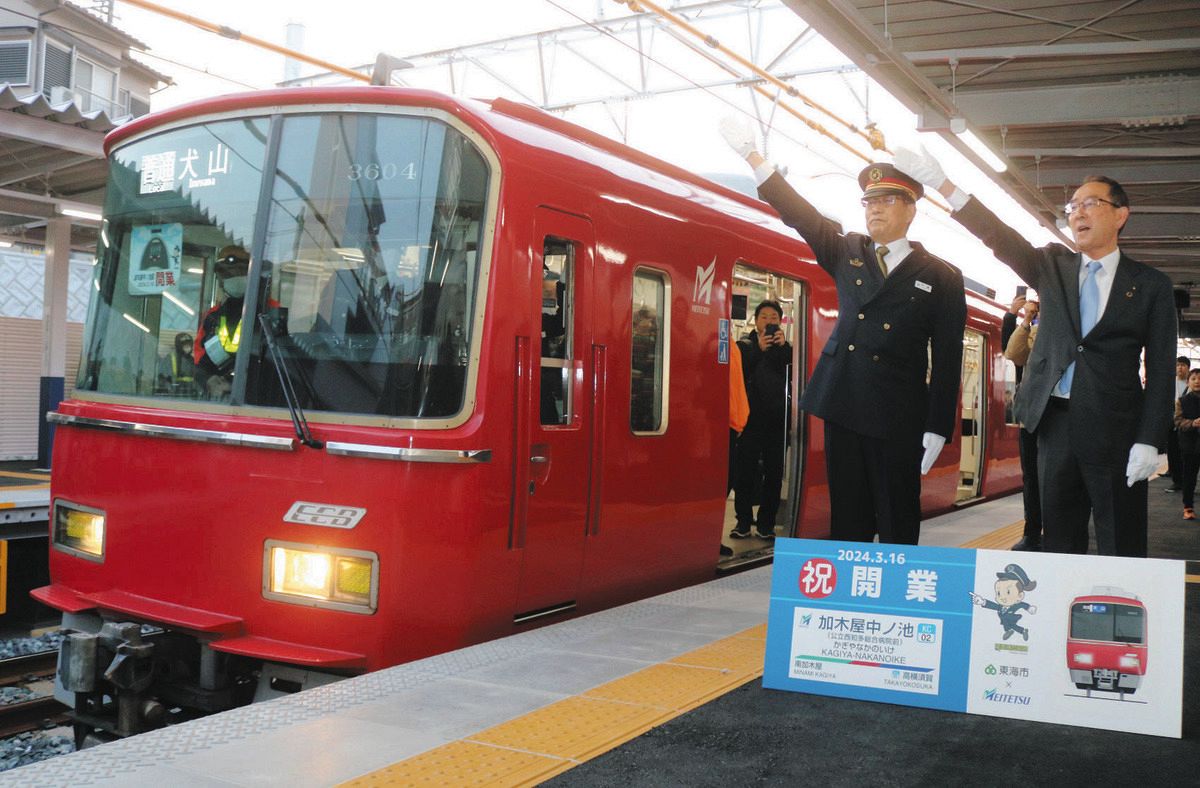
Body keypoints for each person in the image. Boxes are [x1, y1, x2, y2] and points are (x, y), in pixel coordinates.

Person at [895, 147, 1176, 557]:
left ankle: (1119, 598)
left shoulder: (1151, 285)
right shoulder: (1052, 266)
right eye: (1073, 206)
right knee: (1058, 541)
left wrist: (1150, 440)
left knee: (1122, 539)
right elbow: (1000, 238)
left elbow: (1162, 369)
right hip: (1054, 424)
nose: (1077, 213)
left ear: (1120, 215)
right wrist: (945, 185)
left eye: (1091, 204)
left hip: (1115, 428)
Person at [720, 119, 966, 545]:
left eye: (887, 200)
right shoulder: (848, 250)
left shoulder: (941, 276)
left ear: (911, 209)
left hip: (899, 413)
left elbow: (947, 358)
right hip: (844, 402)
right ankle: (854, 588)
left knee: (898, 519)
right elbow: (802, 217)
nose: (875, 209)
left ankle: (892, 588)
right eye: (869, 201)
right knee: (848, 523)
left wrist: (938, 425)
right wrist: (754, 158)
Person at [731, 300, 792, 541]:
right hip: (749, 421)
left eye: (774, 317)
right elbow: (739, 374)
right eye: (764, 317)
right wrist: (759, 349)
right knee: (744, 473)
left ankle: (766, 525)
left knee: (774, 475)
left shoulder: (787, 349)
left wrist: (782, 347)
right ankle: (743, 522)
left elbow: (793, 373)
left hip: (777, 422)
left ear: (780, 322)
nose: (769, 321)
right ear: (755, 321)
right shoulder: (744, 346)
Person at [1003, 294, 1043, 551]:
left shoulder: (1066, 319)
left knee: (1058, 477)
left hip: (1059, 414)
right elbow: (1013, 353)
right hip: (1030, 415)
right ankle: (1032, 531)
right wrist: (1025, 319)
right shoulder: (1030, 327)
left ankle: (1058, 530)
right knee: (1031, 477)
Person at [194, 245, 252, 399]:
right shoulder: (213, 316)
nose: (232, 277)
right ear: (219, 280)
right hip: (219, 401)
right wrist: (208, 380)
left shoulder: (270, 312)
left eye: (239, 271)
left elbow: (278, 368)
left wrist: (237, 385)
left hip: (254, 402)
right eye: (226, 273)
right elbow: (199, 361)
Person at [723, 340, 750, 557]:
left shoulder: (730, 344)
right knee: (720, 483)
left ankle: (711, 536)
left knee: (726, 481)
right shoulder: (723, 342)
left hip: (731, 423)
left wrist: (739, 419)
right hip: (721, 421)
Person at [1174, 368, 1200, 520]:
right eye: (1194, 379)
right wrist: (1192, 423)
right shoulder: (1182, 401)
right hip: (1190, 444)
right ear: (1188, 382)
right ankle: (1188, 507)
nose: (1197, 381)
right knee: (1189, 477)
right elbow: (1178, 421)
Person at [1164, 356, 1190, 493]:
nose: (1180, 367)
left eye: (1183, 365)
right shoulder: (1170, 383)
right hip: (1172, 422)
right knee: (1173, 452)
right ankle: (1177, 481)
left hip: (1188, 424)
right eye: (1178, 365)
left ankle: (1188, 481)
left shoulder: (1192, 382)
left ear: (1188, 368)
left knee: (1187, 453)